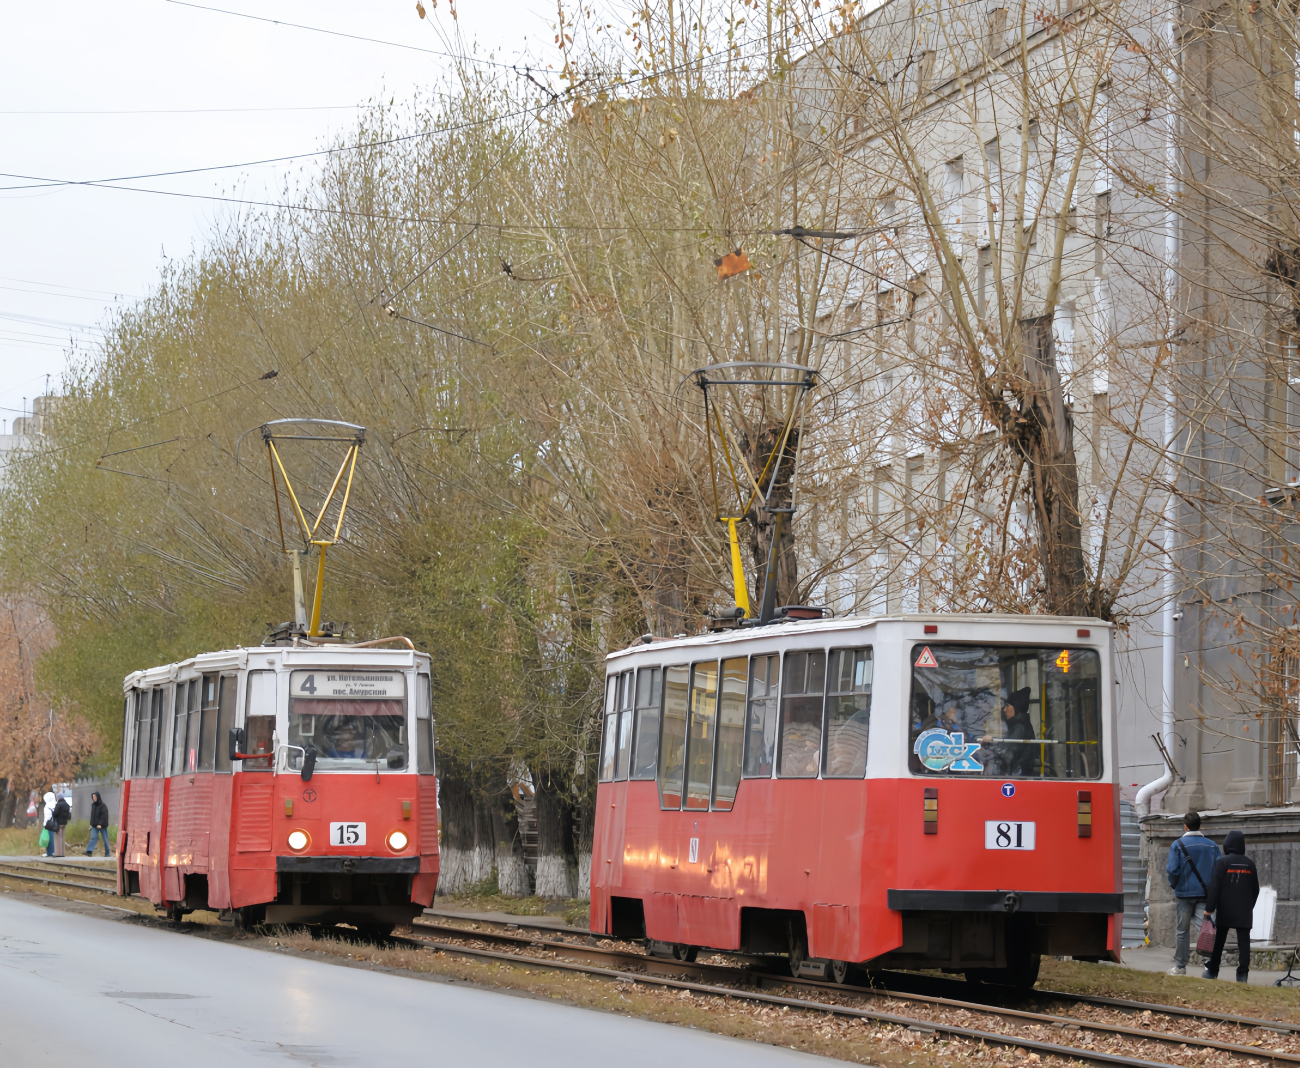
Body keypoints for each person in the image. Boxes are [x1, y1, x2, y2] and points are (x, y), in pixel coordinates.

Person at [1165, 811, 1221, 974]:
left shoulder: (1178, 845)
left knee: (1182, 930)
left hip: (1184, 894)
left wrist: (1175, 885)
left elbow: (1172, 870)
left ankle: (1181, 966)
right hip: (1205, 895)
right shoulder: (1212, 846)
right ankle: (1209, 963)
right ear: (1200, 825)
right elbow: (1218, 871)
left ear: (1185, 826)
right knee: (1207, 927)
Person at [1203, 829, 1260, 982]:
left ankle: (1213, 969)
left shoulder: (1222, 862)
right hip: (1244, 910)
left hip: (1225, 908)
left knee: (1219, 940)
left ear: (1227, 845)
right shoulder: (1250, 864)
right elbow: (1256, 889)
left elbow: (1214, 887)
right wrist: (1249, 906)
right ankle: (1242, 973)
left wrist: (1209, 909)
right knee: (1244, 942)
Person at [982, 687, 1038, 776]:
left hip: (1016, 775)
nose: (1005, 709)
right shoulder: (1022, 725)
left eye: (1007, 705)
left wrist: (992, 740)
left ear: (1016, 707)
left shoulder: (1019, 728)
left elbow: (1007, 752)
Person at [86, 791, 111, 857]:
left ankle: (107, 853)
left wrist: (100, 824)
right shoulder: (93, 805)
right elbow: (93, 816)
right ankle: (89, 851)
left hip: (102, 825)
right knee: (93, 838)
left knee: (105, 839)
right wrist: (92, 824)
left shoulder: (103, 806)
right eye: (93, 797)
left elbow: (104, 816)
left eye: (95, 797)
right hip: (94, 825)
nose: (94, 798)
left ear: (98, 797)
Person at [51, 789, 71, 858]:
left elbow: (55, 813)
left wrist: (53, 812)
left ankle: (58, 853)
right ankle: (62, 853)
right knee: (62, 837)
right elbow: (69, 815)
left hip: (58, 823)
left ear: (58, 797)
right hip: (64, 823)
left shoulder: (58, 804)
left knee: (57, 838)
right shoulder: (67, 805)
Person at [41, 790, 57, 858]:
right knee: (53, 838)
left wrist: (45, 824)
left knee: (49, 838)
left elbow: (47, 816)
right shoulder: (55, 804)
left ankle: (49, 852)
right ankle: (54, 851)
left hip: (49, 824)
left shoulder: (47, 806)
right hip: (55, 823)